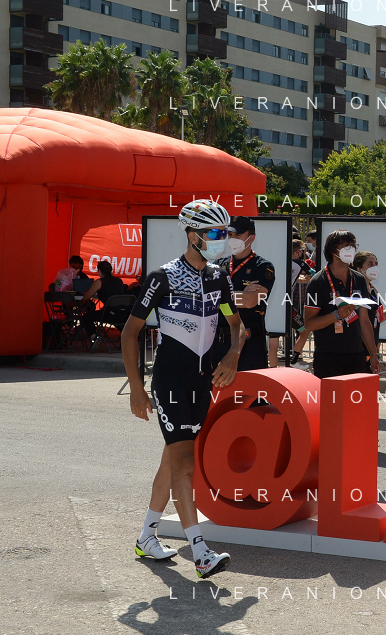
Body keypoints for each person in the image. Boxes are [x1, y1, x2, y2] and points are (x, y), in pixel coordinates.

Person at [120, 199, 242, 578]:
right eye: (214, 233)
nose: (222, 239)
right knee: (185, 464)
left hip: (201, 382)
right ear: (193, 236)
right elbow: (129, 332)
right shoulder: (163, 277)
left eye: (224, 233)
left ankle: (146, 537)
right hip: (170, 380)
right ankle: (201, 552)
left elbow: (234, 323)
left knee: (172, 461)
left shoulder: (220, 278)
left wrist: (232, 354)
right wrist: (137, 388)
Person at [302, 231, 380, 378]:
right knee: (330, 394)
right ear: (333, 250)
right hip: (328, 356)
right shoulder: (318, 282)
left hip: (356, 354)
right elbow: (309, 324)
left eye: (353, 245)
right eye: (345, 245)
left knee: (355, 393)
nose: (351, 249)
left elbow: (364, 321)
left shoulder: (359, 279)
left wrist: (373, 354)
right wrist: (336, 315)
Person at [209, 216, 276, 372]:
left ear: (251, 238)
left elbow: (249, 301)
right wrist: (240, 294)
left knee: (248, 385)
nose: (233, 239)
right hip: (219, 340)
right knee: (216, 384)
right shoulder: (218, 265)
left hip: (249, 342)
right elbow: (207, 297)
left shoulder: (262, 266)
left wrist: (219, 295)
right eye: (230, 235)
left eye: (238, 235)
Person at [352, 251, 386, 372]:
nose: (374, 267)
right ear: (359, 269)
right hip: (357, 348)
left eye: (376, 264)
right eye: (370, 264)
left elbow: (378, 317)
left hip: (371, 348)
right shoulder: (354, 291)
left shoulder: (373, 290)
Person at [82, 259, 129, 340]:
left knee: (87, 316)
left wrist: (86, 292)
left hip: (109, 314)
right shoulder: (119, 280)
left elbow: (86, 297)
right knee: (116, 320)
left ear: (100, 271)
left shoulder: (99, 282)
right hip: (124, 313)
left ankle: (94, 338)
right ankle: (127, 335)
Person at [288, 239, 316, 368]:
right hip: (287, 305)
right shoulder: (301, 263)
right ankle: (293, 362)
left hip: (279, 302)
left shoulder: (284, 261)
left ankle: (273, 367)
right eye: (302, 251)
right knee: (304, 331)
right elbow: (314, 275)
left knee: (274, 335)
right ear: (297, 252)